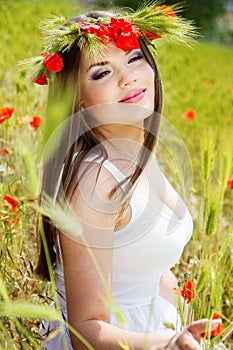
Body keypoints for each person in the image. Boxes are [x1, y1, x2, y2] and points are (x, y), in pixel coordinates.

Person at [28, 3, 222, 349]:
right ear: (79, 99)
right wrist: (167, 344)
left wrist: (184, 327)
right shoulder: (96, 181)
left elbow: (148, 266)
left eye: (134, 58)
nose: (128, 76)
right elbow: (85, 329)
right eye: (101, 73)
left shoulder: (135, 150)